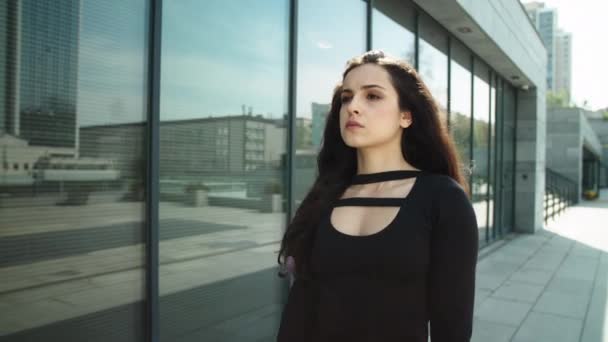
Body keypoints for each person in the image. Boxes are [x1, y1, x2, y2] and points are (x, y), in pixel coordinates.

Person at [276, 50, 478, 341]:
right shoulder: (325, 195)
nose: (352, 107)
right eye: (346, 97)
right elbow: (300, 306)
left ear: (406, 115)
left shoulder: (443, 199)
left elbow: (453, 328)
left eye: (372, 96)